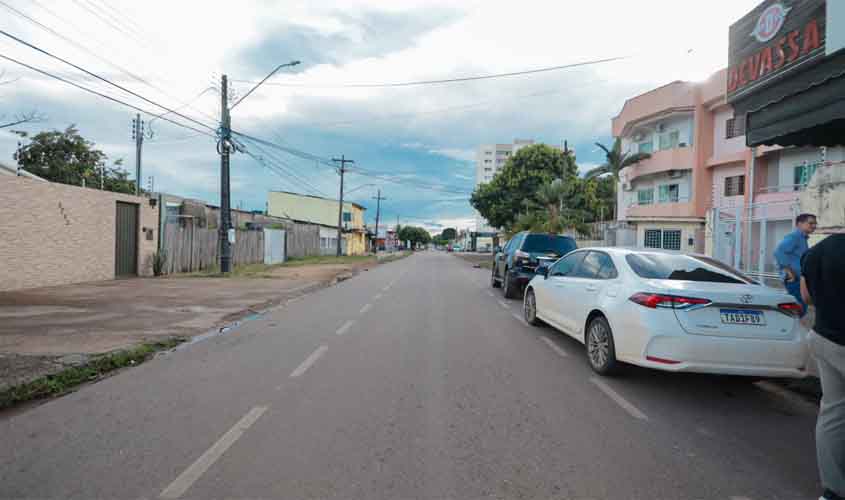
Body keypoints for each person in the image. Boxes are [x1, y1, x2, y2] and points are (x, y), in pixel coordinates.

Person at [801, 233, 845, 500]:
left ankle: (833, 491)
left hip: (826, 339)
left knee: (833, 413)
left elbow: (806, 297)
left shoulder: (821, 248)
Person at [774, 213, 817, 315]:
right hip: (795, 279)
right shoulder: (795, 237)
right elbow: (779, 252)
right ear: (799, 224)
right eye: (810, 223)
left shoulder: (802, 238)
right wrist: (789, 272)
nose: (814, 226)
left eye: (815, 223)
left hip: (799, 279)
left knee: (799, 309)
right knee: (798, 310)